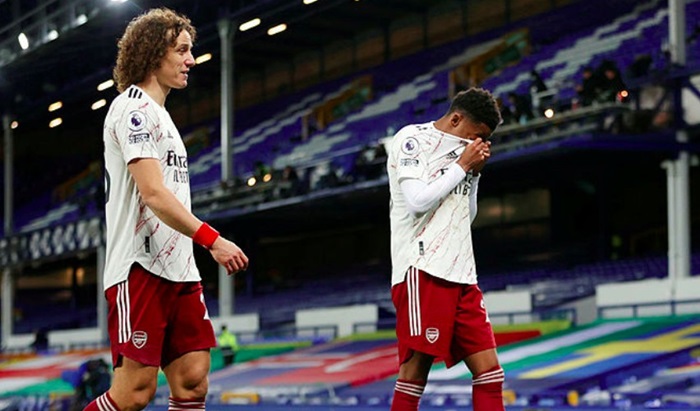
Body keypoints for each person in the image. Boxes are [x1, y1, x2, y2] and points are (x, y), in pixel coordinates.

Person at [84, 8, 249, 411]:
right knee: (133, 394)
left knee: (193, 382)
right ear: (154, 52)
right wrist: (212, 240)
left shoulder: (163, 117)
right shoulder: (133, 109)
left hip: (180, 269)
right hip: (139, 268)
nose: (191, 59)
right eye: (182, 50)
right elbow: (154, 194)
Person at [386, 88, 505, 411]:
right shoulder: (413, 140)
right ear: (455, 119)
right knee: (414, 373)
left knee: (490, 373)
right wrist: (463, 166)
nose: (477, 144)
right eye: (475, 135)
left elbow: (467, 216)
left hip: (463, 273)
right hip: (422, 268)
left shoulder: (464, 157)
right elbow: (416, 202)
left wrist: (474, 176)